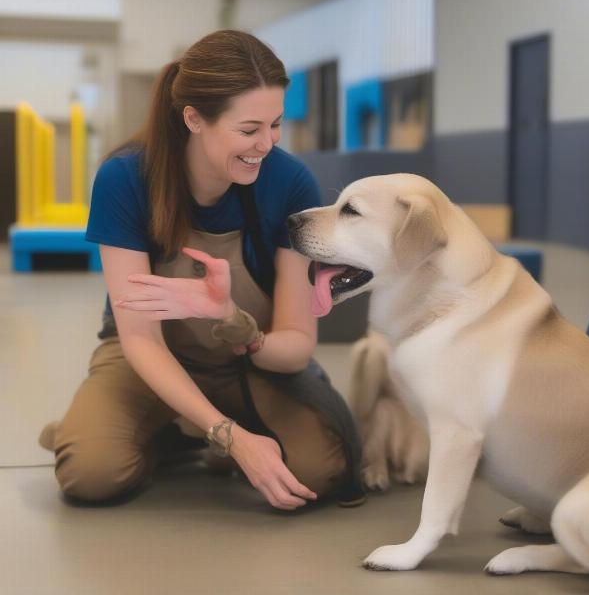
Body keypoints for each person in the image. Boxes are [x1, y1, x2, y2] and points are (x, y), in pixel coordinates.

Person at [39, 29, 364, 510]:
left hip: (249, 366)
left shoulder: (290, 183)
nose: (266, 145)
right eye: (249, 130)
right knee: (92, 475)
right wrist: (232, 437)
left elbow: (295, 347)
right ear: (194, 118)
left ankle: (188, 426)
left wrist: (236, 322)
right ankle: (166, 429)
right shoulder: (125, 178)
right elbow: (141, 340)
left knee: (320, 473)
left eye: (276, 125)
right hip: (148, 358)